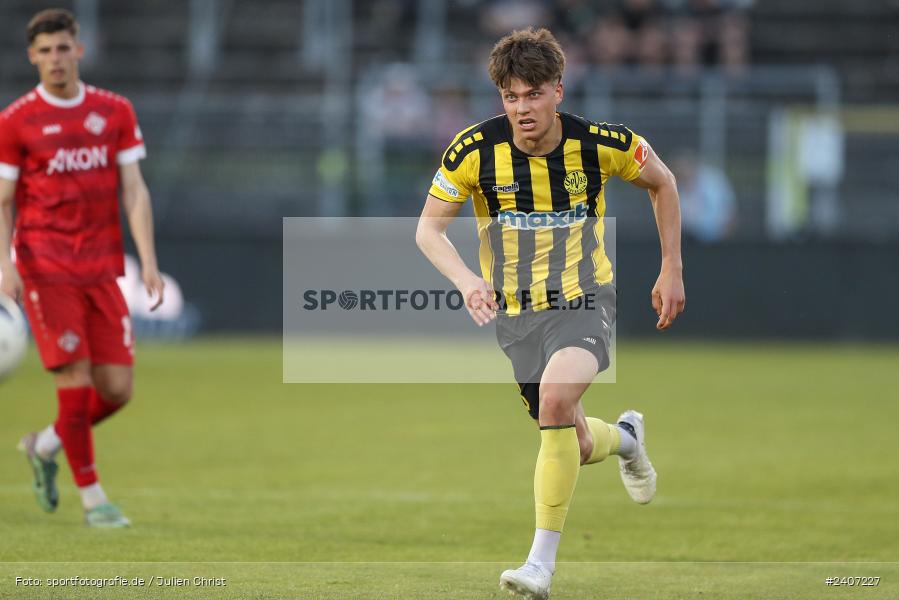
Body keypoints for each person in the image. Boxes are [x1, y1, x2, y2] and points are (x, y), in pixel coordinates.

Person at [415, 28, 685, 599]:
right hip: (516, 317)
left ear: (558, 90)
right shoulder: (472, 150)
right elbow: (428, 229)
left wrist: (672, 268)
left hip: (585, 300)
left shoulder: (602, 144)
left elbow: (662, 183)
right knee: (576, 443)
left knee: (558, 402)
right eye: (510, 97)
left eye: (533, 94)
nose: (522, 108)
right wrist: (466, 280)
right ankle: (629, 439)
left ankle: (539, 565)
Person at [0, 9, 164, 528]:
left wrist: (150, 261)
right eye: (45, 51)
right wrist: (6, 264)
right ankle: (94, 500)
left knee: (117, 389)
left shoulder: (114, 111)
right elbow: (3, 201)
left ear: (79, 49)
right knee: (73, 378)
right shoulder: (15, 121)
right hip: (46, 266)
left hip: (102, 266)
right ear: (33, 57)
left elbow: (134, 189)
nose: (55, 59)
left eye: (63, 48)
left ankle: (44, 445)